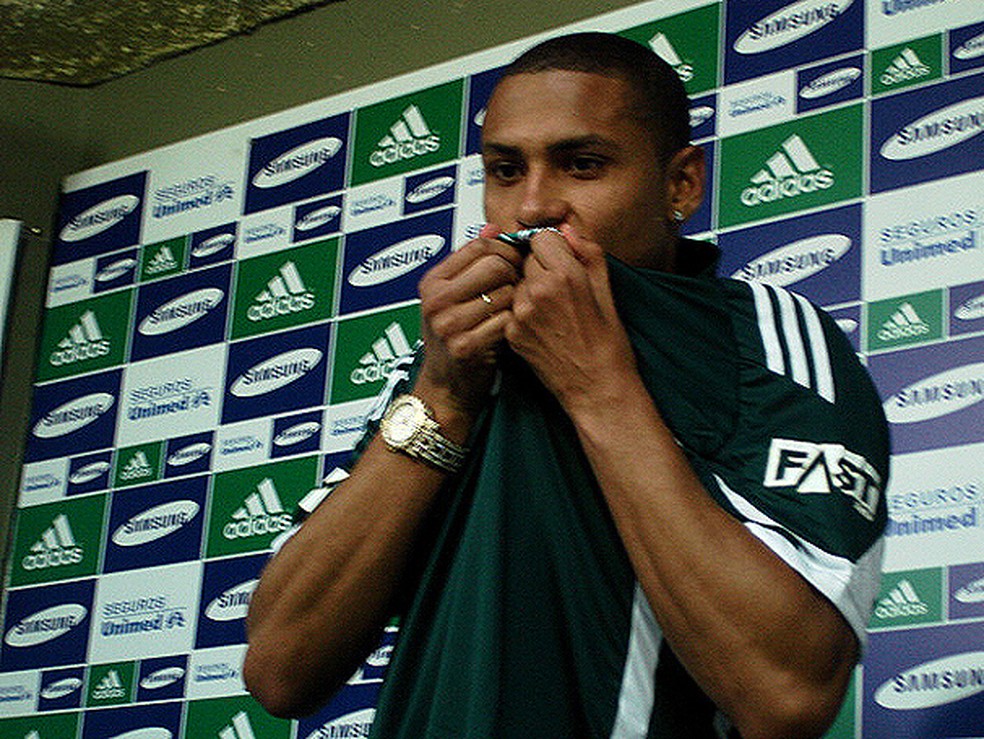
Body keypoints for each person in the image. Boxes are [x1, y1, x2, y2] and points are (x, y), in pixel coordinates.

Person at [244, 32, 889, 738]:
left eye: (583, 164)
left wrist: (598, 386)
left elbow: (787, 692)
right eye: (505, 169)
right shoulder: (446, 356)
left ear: (681, 184)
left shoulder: (759, 335)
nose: (533, 207)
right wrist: (442, 395)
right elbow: (281, 667)